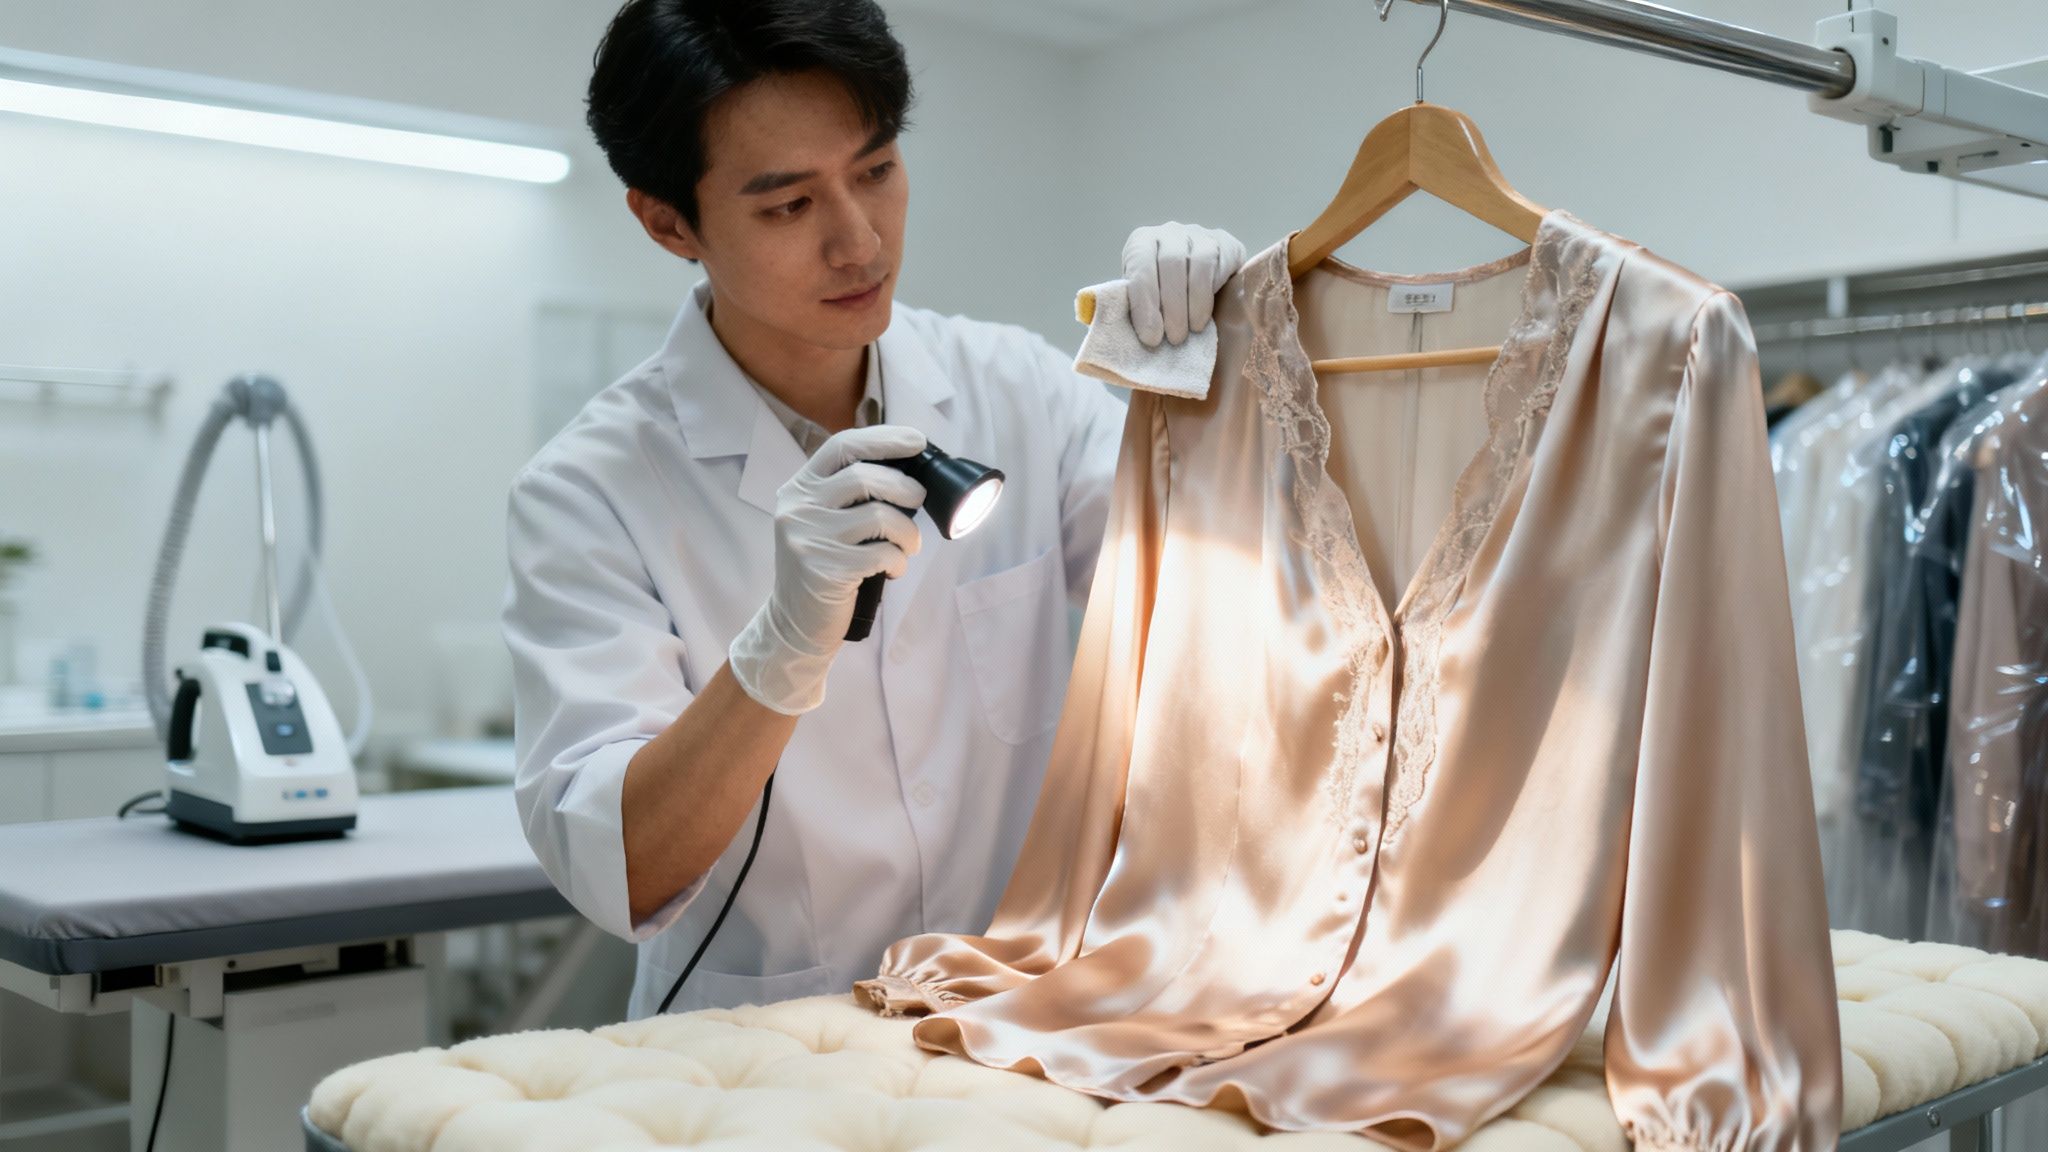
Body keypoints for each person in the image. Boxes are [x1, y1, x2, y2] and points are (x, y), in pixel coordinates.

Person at [503, 0, 1243, 1017]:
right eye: (787, 205)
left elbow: (1228, 601)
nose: (858, 243)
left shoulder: (1017, 391)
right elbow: (623, 868)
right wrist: (776, 652)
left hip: (1008, 1030)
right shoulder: (589, 490)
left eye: (877, 170)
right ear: (667, 220)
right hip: (754, 1064)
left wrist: (1213, 397)